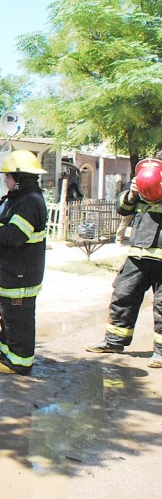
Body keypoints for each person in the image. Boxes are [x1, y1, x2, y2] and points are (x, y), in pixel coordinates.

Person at [85, 157, 162, 368]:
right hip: (139, 254)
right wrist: (133, 192)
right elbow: (122, 208)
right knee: (123, 295)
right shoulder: (143, 182)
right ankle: (114, 341)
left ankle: (161, 352)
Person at [0, 150, 47, 376]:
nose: (5, 180)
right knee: (7, 315)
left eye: (8, 176)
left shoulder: (29, 203)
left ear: (20, 179)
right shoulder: (20, 199)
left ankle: (20, 363)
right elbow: (7, 222)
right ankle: (8, 355)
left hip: (21, 274)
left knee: (18, 320)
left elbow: (13, 236)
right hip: (13, 272)